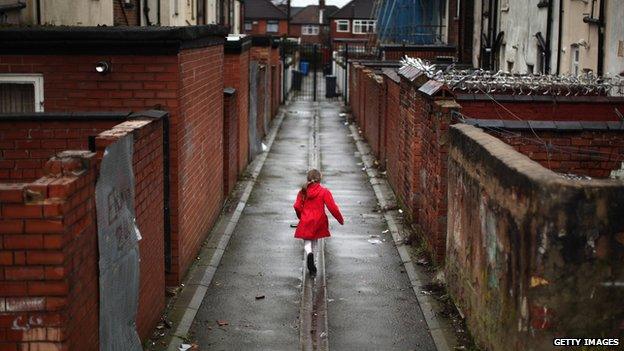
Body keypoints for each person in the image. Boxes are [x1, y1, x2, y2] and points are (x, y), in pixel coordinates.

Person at [293, 169, 344, 276]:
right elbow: (332, 207)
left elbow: (297, 206)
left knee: (307, 241)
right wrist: (340, 219)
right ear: (320, 179)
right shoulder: (324, 192)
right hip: (319, 220)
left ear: (308, 179)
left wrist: (300, 216)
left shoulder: (302, 191)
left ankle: (309, 253)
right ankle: (313, 266)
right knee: (315, 242)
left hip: (306, 219)